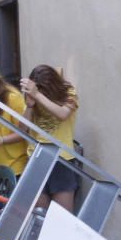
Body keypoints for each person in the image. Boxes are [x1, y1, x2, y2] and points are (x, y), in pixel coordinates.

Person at [21, 64, 80, 211]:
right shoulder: (34, 96)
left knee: (61, 216)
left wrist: (37, 95)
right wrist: (29, 106)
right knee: (39, 215)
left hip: (61, 160)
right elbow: (22, 129)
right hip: (36, 158)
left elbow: (62, 114)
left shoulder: (69, 93)